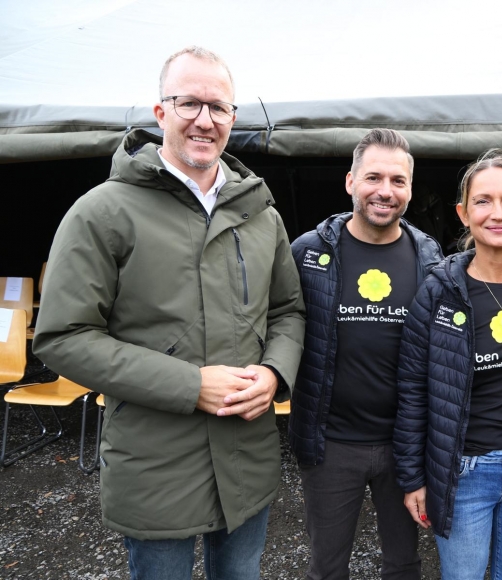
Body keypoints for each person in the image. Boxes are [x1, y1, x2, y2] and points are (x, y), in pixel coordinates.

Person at [32, 46, 306, 580]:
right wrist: (189, 385)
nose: (205, 120)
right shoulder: (102, 212)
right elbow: (63, 336)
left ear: (233, 118)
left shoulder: (261, 214)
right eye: (189, 104)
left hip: (245, 455)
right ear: (160, 114)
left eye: (219, 107)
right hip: (154, 464)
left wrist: (275, 373)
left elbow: (288, 311)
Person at [394, 150, 502, 579]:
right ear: (463, 213)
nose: (497, 213)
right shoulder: (438, 291)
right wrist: (414, 478)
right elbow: (413, 389)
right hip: (463, 473)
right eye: (483, 201)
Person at [289, 128, 442, 580]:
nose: (385, 191)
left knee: (403, 563)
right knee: (328, 565)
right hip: (330, 444)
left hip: (405, 446)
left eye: (398, 181)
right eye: (373, 177)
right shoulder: (308, 252)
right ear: (350, 181)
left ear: (410, 189)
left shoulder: (427, 256)